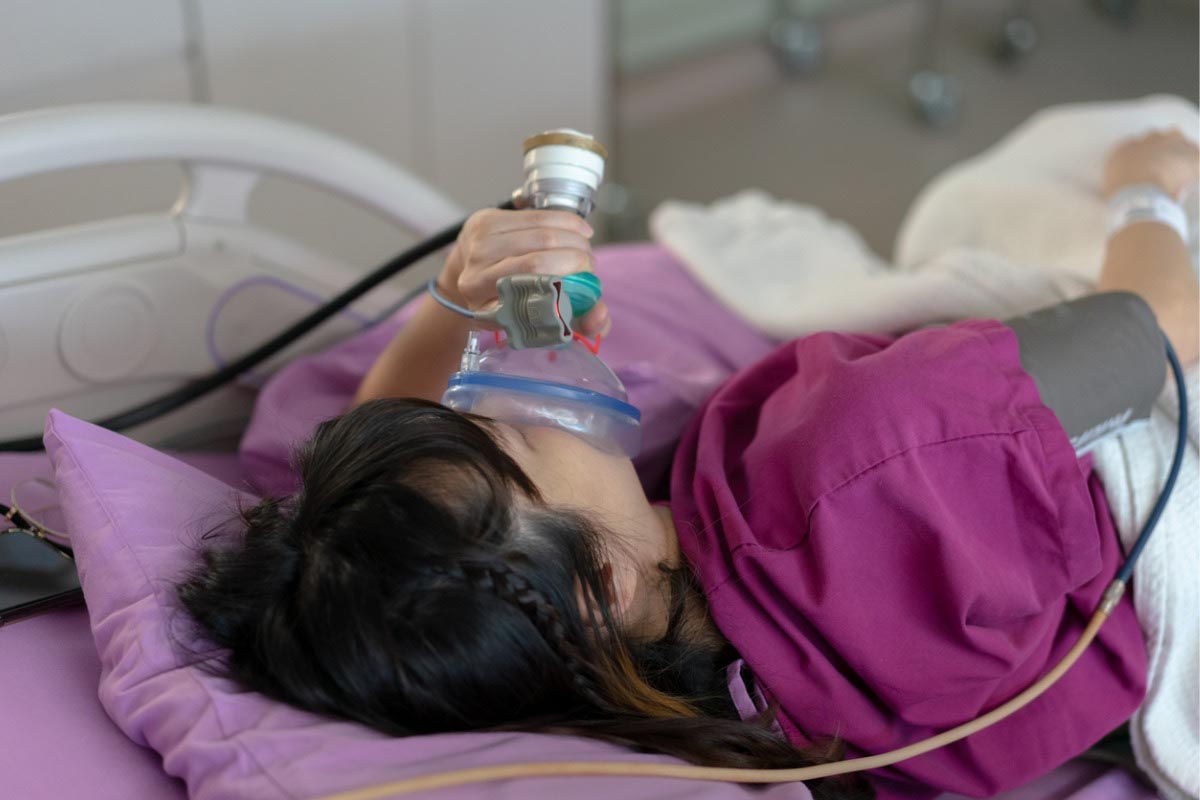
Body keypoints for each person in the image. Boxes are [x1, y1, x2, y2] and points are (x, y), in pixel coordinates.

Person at [178, 130, 1198, 800]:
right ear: (601, 581)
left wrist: (455, 295)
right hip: (1117, 450)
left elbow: (384, 518)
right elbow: (1163, 327)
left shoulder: (659, 694)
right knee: (1015, 179)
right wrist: (1145, 187)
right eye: (511, 430)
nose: (497, 377)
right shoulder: (866, 450)